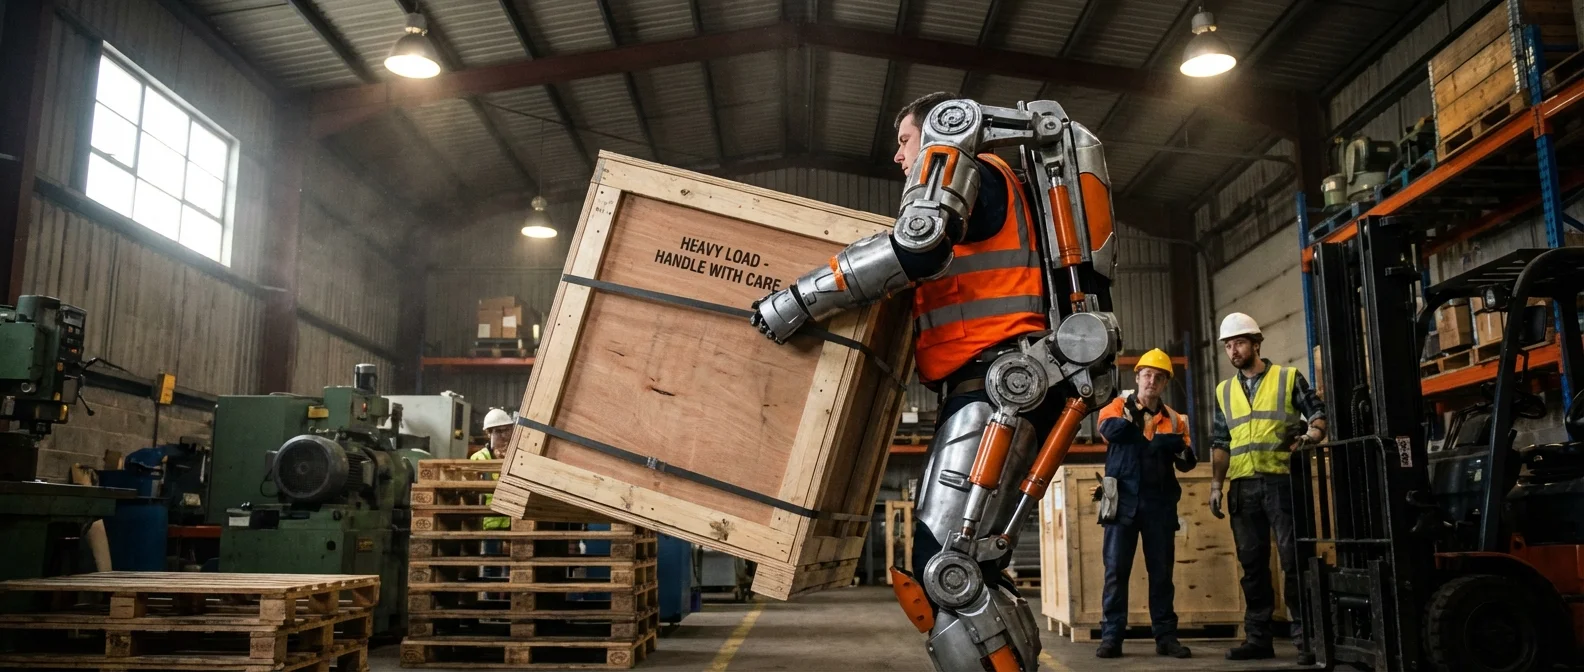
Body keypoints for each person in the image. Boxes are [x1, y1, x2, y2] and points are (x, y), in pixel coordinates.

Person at [750, 91, 1122, 672]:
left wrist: (798, 299)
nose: (899, 158)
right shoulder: (1002, 182)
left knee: (948, 570)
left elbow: (916, 249)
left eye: (903, 140)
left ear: (942, 127)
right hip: (1010, 380)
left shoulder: (967, 166)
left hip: (998, 381)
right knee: (973, 568)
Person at [1208, 313, 1326, 665]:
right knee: (1252, 565)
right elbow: (1220, 441)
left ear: (1256, 343)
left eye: (1239, 343)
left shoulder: (1288, 378)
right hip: (1243, 487)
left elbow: (1317, 413)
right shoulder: (1224, 391)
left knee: (1294, 561)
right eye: (1228, 345)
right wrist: (1216, 485)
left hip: (1281, 481)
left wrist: (1312, 435)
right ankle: (1258, 638)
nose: (1233, 350)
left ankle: (1306, 640)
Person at [1093, 348, 1195, 659]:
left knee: (1162, 574)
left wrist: (1176, 448)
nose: (1152, 380)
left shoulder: (1176, 419)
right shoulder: (1116, 407)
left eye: (1158, 377)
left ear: (1164, 383)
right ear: (1137, 377)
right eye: (1147, 375)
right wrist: (1142, 430)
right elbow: (1108, 430)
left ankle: (1166, 637)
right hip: (1121, 503)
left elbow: (1188, 462)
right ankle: (1111, 638)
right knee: (1115, 572)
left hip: (1159, 506)